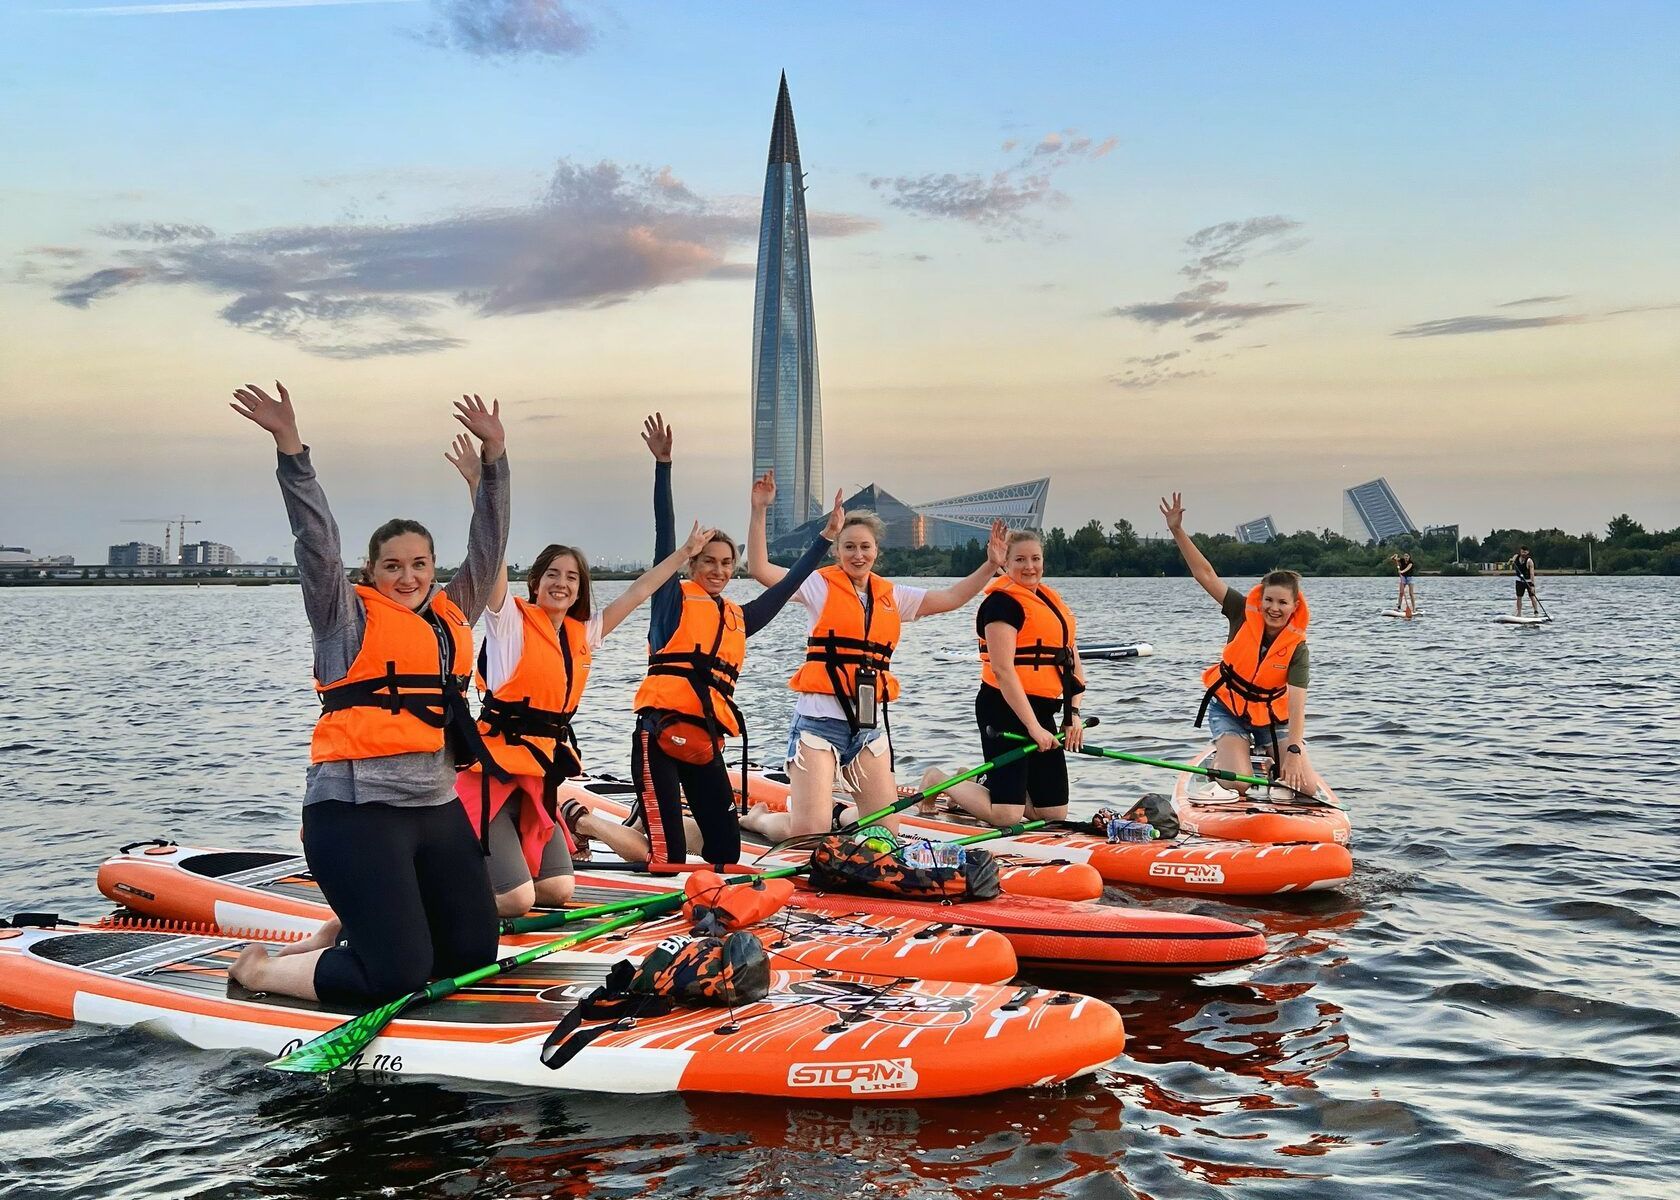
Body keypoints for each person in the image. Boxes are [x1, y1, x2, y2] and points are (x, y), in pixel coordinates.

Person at [225, 383, 509, 1005]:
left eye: (419, 564)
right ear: (369, 573)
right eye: (392, 566)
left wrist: (495, 460)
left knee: (469, 953)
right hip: (355, 813)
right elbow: (316, 541)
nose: (408, 577)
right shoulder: (342, 617)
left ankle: (351, 931)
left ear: (433, 569)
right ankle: (262, 972)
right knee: (398, 977)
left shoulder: (448, 614)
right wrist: (290, 447)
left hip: (433, 808)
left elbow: (487, 547)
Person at [443, 427, 717, 917]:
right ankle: (443, 879)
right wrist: (477, 487)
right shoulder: (509, 622)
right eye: (553, 575)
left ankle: (497, 861)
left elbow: (638, 592)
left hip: (537, 780)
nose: (562, 584)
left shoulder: (582, 634)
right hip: (490, 777)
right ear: (535, 581)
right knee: (516, 899)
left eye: (572, 578)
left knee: (557, 892)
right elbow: (490, 557)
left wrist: (684, 556)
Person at [617, 415, 839, 871]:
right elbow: (664, 538)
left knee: (727, 851)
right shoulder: (671, 602)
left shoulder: (737, 617)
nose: (717, 570)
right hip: (657, 735)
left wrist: (825, 540)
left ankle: (659, 829)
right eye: (708, 561)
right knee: (669, 858)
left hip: (705, 742)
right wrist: (664, 466)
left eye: (726, 563)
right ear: (692, 563)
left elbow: (786, 586)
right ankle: (589, 822)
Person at [736, 472, 1009, 842]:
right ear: (837, 551)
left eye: (864, 547)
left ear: (876, 550)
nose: (857, 555)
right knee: (808, 833)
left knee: (886, 834)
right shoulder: (819, 585)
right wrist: (758, 511)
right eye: (849, 547)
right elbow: (761, 570)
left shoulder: (893, 596)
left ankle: (840, 814)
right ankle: (759, 819)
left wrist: (991, 565)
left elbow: (951, 598)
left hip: (866, 729)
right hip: (817, 724)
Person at [917, 530, 1085, 830]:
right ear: (1005, 563)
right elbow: (1003, 670)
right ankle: (938, 780)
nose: (1029, 566)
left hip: (1044, 710)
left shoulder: (1052, 603)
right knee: (1007, 815)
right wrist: (1033, 727)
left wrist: (1073, 715)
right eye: (1020, 559)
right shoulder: (1000, 605)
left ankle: (975, 780)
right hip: (1003, 711)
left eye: (1035, 558)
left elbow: (1074, 665)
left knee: (1054, 813)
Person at [1161, 491, 1319, 797]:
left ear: (1294, 606)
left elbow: (1298, 705)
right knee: (1240, 782)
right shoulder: (1240, 610)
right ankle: (1225, 762)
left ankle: (1274, 767)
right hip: (1230, 710)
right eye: (1269, 600)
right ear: (1260, 599)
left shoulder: (1297, 647)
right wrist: (1177, 530)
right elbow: (1204, 573)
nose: (1274, 608)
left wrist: (1295, 751)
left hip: (1272, 720)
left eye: (1282, 602)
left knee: (1307, 789)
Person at [1511, 545, 1540, 616]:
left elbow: (1532, 574)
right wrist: (1512, 561)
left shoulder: (1530, 561)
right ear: (1520, 551)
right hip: (1519, 581)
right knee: (1519, 597)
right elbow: (1511, 562)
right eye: (1522, 552)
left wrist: (1532, 586)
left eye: (1525, 552)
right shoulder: (1516, 557)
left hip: (1528, 581)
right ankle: (1519, 613)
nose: (1523, 553)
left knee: (1532, 596)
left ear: (1528, 552)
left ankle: (1536, 612)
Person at [1390, 551, 1417, 617]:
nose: (1406, 557)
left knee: (1411, 594)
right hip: (1403, 577)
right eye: (1405, 556)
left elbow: (1407, 569)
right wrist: (1394, 556)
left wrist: (1401, 571)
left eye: (1407, 556)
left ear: (1409, 557)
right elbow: (1393, 559)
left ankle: (1414, 609)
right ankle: (1398, 607)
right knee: (1401, 593)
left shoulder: (1411, 563)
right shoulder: (1402, 560)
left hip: (1410, 578)